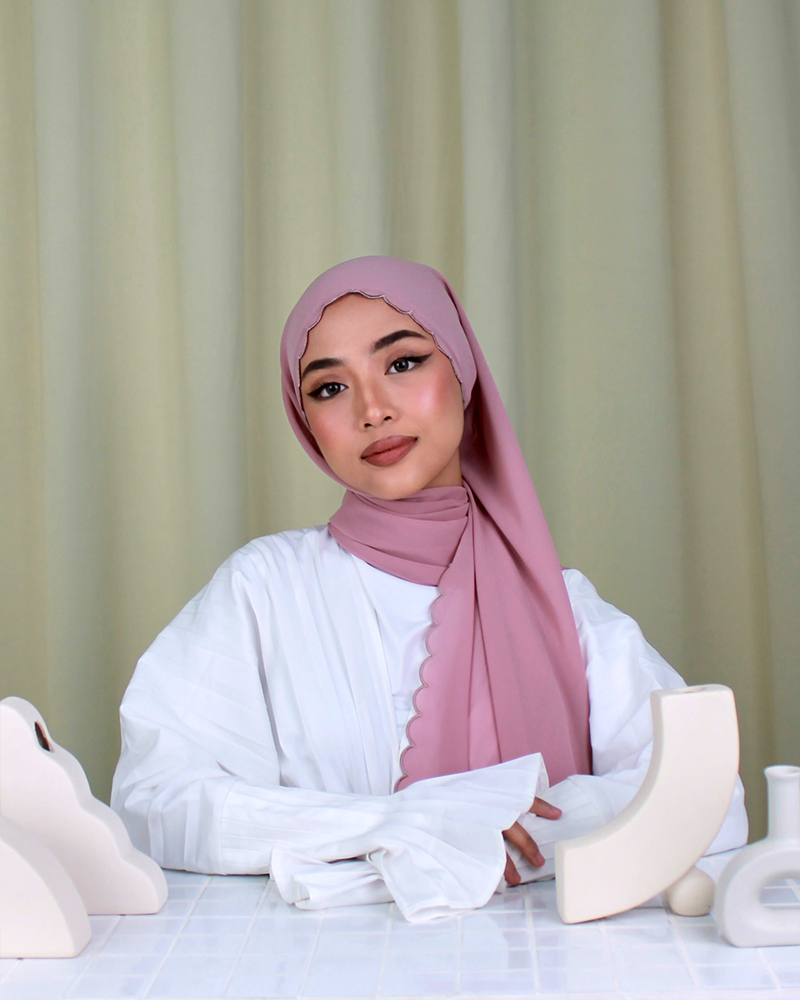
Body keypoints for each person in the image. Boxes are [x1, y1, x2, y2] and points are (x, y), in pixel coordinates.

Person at [111, 256, 747, 922]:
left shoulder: (564, 608)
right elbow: (155, 803)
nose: (373, 410)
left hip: (545, 964)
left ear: (462, 371)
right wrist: (404, 823)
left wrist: (519, 829)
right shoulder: (263, 592)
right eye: (330, 388)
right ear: (305, 421)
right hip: (323, 965)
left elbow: (703, 793)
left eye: (403, 363)